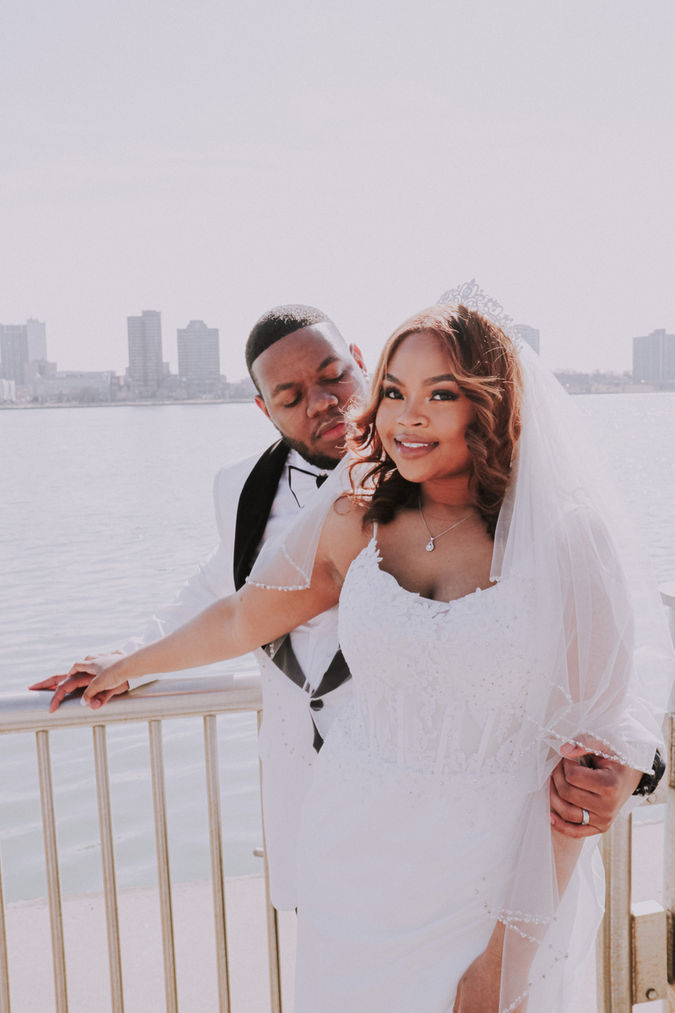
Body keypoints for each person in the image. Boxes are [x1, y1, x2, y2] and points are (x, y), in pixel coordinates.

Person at [70, 302, 672, 1012]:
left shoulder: (566, 540)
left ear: (490, 401)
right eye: (393, 391)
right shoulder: (356, 514)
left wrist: (499, 965)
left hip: (496, 874)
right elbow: (240, 614)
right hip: (350, 861)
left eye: (439, 394)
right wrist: (126, 663)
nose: (407, 417)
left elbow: (585, 766)